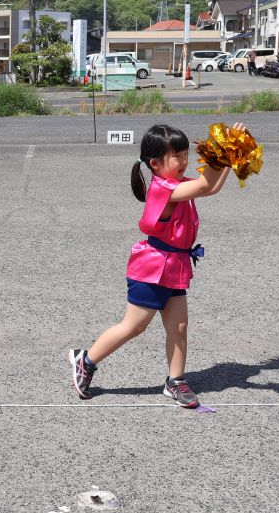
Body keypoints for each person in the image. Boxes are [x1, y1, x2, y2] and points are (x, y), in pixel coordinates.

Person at [69, 123, 244, 408]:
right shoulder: (162, 189)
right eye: (178, 156)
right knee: (134, 326)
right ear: (155, 163)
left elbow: (210, 188)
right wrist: (225, 148)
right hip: (152, 267)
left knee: (179, 327)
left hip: (175, 264)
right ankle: (86, 361)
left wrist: (231, 156)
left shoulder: (176, 184)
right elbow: (203, 184)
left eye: (186, 154)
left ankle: (175, 381)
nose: (184, 161)